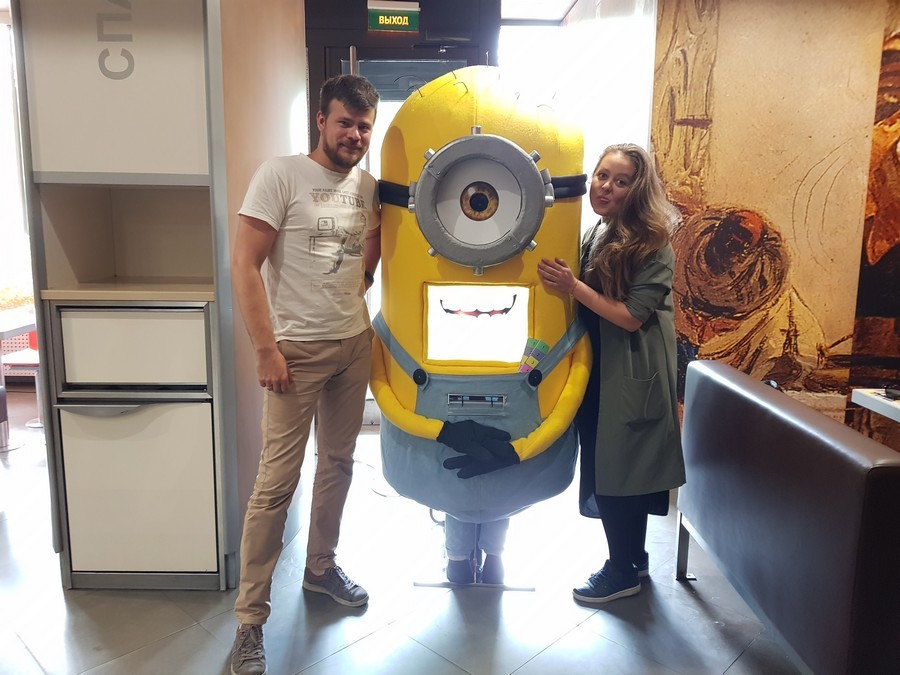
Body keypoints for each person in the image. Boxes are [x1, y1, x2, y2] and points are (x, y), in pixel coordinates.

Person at [228, 74, 381, 675]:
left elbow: (372, 238)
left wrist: (361, 283)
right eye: (345, 123)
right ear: (321, 121)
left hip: (353, 344)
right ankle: (249, 621)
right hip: (294, 352)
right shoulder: (281, 175)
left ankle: (321, 568)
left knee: (339, 463)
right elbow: (244, 264)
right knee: (275, 484)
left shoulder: (366, 185)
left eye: (364, 126)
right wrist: (266, 349)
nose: (354, 135)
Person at [537, 143, 686, 604]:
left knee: (620, 471)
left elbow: (631, 317)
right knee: (619, 468)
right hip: (602, 366)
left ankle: (620, 571)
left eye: (621, 182)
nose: (606, 187)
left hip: (630, 371)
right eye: (603, 176)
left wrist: (572, 286)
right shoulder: (600, 231)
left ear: (637, 191)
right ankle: (633, 558)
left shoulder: (654, 244)